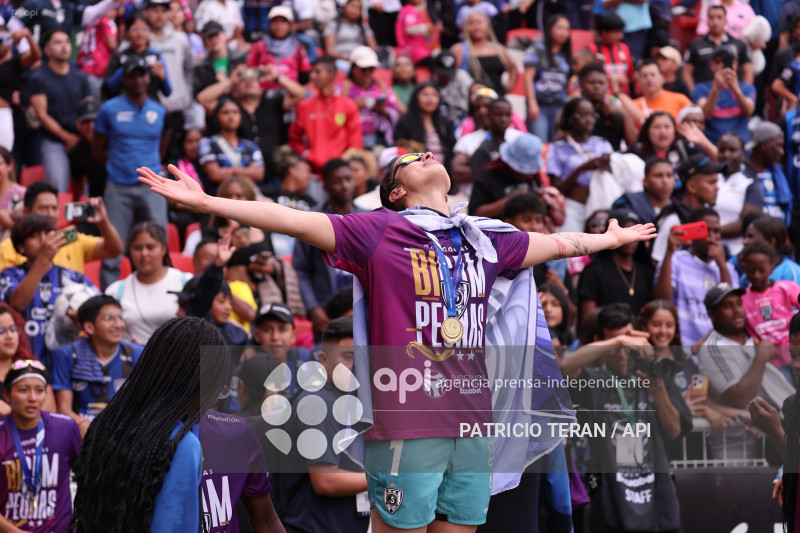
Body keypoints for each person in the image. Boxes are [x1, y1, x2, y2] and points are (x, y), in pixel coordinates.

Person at [137, 149, 656, 533]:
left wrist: (609, 240)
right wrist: (209, 201)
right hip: (408, 415)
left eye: (427, 152)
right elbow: (292, 220)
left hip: (475, 421)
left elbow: (559, 245)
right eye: (408, 158)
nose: (423, 154)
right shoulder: (379, 231)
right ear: (396, 192)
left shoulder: (487, 238)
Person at [72, 317, 230, 532]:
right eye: (215, 386)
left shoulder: (105, 426)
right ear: (195, 382)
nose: (215, 398)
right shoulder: (182, 444)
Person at [560, 303, 690, 533]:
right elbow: (565, 365)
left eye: (626, 346)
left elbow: (674, 431)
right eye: (615, 345)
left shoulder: (653, 373)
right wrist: (618, 341)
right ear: (601, 341)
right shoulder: (593, 379)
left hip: (655, 493)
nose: (621, 354)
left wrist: (657, 389)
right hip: (610, 496)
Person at [279, 317, 370, 533]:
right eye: (348, 357)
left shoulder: (346, 400)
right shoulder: (317, 403)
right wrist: (390, 477)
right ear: (323, 360)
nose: (357, 367)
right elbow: (326, 481)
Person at [94, 57, 169, 289]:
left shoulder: (159, 110)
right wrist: (119, 165)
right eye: (132, 75)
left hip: (152, 185)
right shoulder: (109, 109)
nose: (137, 80)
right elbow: (96, 148)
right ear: (123, 79)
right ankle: (109, 299)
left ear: (149, 78)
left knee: (159, 243)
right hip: (118, 185)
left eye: (142, 75)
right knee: (112, 250)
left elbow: (163, 144)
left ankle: (163, 295)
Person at [698, 283, 794, 459]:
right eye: (727, 306)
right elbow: (739, 397)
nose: (736, 310)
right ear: (711, 314)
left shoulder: (753, 335)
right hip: (737, 444)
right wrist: (761, 357)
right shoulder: (712, 348)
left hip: (774, 437)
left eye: (738, 303)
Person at [0, 215, 94, 364]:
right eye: (35, 236)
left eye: (47, 234)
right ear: (21, 246)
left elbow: (98, 312)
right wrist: (43, 258)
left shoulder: (73, 277)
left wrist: (81, 316)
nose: (44, 240)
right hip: (24, 365)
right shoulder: (8, 275)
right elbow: (17, 305)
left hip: (67, 367)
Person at [0, 359, 81, 532]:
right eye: (23, 390)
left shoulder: (65, 427)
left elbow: (87, 478)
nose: (32, 398)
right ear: (6, 395)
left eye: (39, 391)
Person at [196, 64, 306, 182]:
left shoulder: (271, 102)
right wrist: (230, 81)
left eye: (253, 79)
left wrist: (276, 77)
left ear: (260, 85)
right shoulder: (230, 107)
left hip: (275, 172)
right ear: (235, 89)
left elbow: (300, 93)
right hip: (243, 175)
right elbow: (203, 98)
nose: (248, 82)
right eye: (243, 80)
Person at [51, 294, 144, 432]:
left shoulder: (136, 353)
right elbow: (64, 409)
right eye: (109, 318)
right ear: (89, 327)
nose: (119, 325)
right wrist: (83, 425)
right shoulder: (69, 354)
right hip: (84, 431)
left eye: (120, 318)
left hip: (126, 431)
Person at [293, 159, 362, 338]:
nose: (344, 185)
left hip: (361, 306)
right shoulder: (311, 220)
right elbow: (300, 269)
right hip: (326, 310)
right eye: (337, 181)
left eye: (348, 179)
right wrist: (313, 308)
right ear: (325, 186)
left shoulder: (367, 218)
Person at [653, 207, 738, 347]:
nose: (711, 237)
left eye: (716, 231)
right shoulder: (675, 261)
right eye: (704, 230)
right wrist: (668, 252)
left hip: (719, 349)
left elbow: (731, 309)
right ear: (691, 233)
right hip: (682, 347)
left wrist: (722, 266)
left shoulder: (728, 269)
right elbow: (662, 301)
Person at [0, 181, 123, 274]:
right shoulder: (8, 248)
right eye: (43, 208)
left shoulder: (71, 238)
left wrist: (103, 222)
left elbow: (114, 250)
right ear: (26, 212)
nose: (50, 214)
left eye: (54, 208)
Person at [104, 222, 192, 344]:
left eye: (150, 247)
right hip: (134, 360)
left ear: (163, 249)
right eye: (137, 248)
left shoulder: (186, 282)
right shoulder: (115, 291)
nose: (144, 254)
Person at [28, 29, 93, 194]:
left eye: (66, 41)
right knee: (57, 188)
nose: (64, 46)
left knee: (85, 190)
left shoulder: (81, 77)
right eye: (57, 42)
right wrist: (67, 137)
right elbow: (41, 115)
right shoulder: (38, 78)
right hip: (54, 141)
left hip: (80, 140)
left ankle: (83, 221)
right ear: (47, 50)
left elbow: (89, 110)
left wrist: (79, 137)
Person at [577, 208, 655, 329]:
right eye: (626, 231)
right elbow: (587, 321)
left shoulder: (646, 271)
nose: (631, 238)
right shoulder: (595, 271)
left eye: (634, 232)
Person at [547, 97, 614, 233]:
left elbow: (617, 174)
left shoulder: (603, 144)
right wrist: (582, 168)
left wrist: (607, 165)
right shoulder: (557, 148)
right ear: (570, 118)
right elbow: (556, 188)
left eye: (592, 115)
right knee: (572, 249)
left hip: (602, 207)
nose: (589, 119)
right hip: (573, 208)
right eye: (583, 115)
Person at [289, 56, 363, 174]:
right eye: (311, 72)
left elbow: (355, 144)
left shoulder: (348, 105)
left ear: (331, 74)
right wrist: (307, 155)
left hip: (339, 173)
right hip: (312, 172)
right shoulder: (303, 106)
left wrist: (339, 164)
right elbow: (294, 139)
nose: (312, 76)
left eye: (317, 72)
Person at [740, 239, 800, 377]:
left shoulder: (785, 288)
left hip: (795, 355)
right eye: (751, 270)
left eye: (762, 270)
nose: (756, 275)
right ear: (744, 269)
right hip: (771, 364)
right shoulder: (742, 299)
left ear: (771, 268)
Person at [649, 152, 721, 264]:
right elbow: (657, 262)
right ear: (692, 187)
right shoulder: (674, 220)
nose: (717, 188)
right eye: (711, 183)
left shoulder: (710, 217)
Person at [144, 0, 194, 139]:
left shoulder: (180, 40)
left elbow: (189, 69)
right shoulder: (141, 39)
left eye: (164, 10)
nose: (159, 15)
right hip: (150, 110)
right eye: (155, 10)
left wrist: (187, 94)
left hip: (177, 108)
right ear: (146, 12)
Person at [198, 97, 265, 196]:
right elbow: (215, 175)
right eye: (225, 112)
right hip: (220, 198)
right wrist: (247, 171)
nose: (231, 116)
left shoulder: (250, 145)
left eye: (235, 112)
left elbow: (259, 174)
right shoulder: (208, 143)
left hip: (249, 197)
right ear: (217, 116)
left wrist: (231, 170)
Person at [468, 133, 544, 218]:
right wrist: (510, 200)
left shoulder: (533, 178)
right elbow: (474, 214)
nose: (525, 175)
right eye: (520, 171)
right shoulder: (488, 177)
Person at [339, 46, 401, 149]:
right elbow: (334, 115)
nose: (367, 72)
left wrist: (382, 110)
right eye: (363, 69)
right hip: (350, 138)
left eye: (371, 68)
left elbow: (396, 114)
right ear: (353, 68)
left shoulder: (382, 87)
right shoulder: (342, 88)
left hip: (379, 138)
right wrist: (352, 105)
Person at [692, 45, 756, 145]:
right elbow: (706, 114)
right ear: (711, 65)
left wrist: (735, 88)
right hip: (713, 145)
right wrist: (716, 86)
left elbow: (748, 111)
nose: (722, 65)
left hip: (741, 147)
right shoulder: (700, 88)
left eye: (727, 60)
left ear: (735, 64)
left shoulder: (747, 88)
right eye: (718, 61)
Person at [523, 14, 571, 142]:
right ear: (549, 28)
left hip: (559, 105)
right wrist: (532, 103)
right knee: (540, 142)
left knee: (556, 143)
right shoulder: (536, 49)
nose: (564, 32)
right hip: (540, 105)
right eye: (560, 28)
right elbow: (528, 78)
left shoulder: (566, 53)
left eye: (567, 29)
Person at [683, 5, 753, 93]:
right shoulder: (695, 45)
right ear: (707, 20)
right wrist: (695, 93)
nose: (715, 21)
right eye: (711, 18)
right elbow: (687, 72)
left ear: (726, 20)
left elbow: (748, 71)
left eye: (719, 17)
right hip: (704, 96)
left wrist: (744, 94)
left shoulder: (738, 44)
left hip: (733, 96)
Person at [102, 14, 172, 102]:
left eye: (144, 29)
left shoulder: (156, 56)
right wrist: (125, 67)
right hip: (125, 106)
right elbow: (108, 88)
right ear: (127, 32)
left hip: (151, 106)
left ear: (149, 32)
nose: (139, 33)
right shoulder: (119, 57)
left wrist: (163, 77)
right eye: (135, 29)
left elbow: (167, 92)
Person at [716, 131, 763, 255]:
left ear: (743, 154)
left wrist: (708, 232)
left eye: (732, 150)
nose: (726, 154)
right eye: (721, 150)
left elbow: (747, 223)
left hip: (736, 254)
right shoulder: (709, 178)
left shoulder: (751, 184)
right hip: (705, 252)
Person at [250, 303, 312, 396]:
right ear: (257, 335)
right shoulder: (248, 366)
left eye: (282, 329)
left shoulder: (303, 357)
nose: (275, 337)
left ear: (293, 336)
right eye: (267, 330)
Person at [246, 6, 312, 90]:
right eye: (275, 21)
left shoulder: (298, 47)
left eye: (283, 22)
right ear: (269, 24)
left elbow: (304, 76)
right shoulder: (259, 46)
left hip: (290, 93)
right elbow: (249, 70)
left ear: (289, 25)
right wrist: (260, 71)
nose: (279, 26)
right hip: (263, 92)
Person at [451, 11, 517, 95]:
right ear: (464, 28)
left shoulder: (499, 48)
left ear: (488, 26)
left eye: (479, 22)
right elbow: (453, 76)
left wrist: (509, 85)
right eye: (471, 23)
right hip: (470, 99)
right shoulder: (459, 49)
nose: (476, 26)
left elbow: (513, 68)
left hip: (497, 98)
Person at [393, 83, 456, 168]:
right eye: (425, 94)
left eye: (434, 95)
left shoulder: (445, 123)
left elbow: (452, 150)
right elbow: (400, 150)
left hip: (444, 172)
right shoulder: (405, 122)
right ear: (416, 97)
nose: (430, 99)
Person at [577, 63, 636, 151]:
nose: (597, 86)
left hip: (612, 158)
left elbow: (634, 144)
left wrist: (624, 113)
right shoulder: (574, 108)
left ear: (607, 84)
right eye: (592, 83)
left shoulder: (614, 106)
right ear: (581, 84)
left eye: (601, 83)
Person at [616, 59, 692, 127]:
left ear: (662, 78)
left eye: (653, 74)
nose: (649, 79)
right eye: (644, 75)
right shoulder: (632, 106)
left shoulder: (680, 100)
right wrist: (616, 89)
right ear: (639, 82)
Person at [0, 26, 40, 152]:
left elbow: (35, 56)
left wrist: (27, 36)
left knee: (4, 158)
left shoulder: (13, 63)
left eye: (3, 39)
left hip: (3, 115)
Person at [743, 121, 791, 224]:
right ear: (764, 145)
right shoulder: (742, 172)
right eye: (778, 146)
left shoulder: (777, 172)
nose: (782, 152)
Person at [613, 156, 676, 225]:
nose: (665, 181)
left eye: (669, 175)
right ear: (645, 181)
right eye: (658, 176)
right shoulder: (630, 204)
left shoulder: (680, 208)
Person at [192, 21, 248, 97]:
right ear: (205, 41)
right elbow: (199, 94)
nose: (214, 40)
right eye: (210, 37)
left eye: (216, 35)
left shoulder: (241, 58)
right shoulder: (201, 67)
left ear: (224, 35)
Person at [69, 98, 109, 202]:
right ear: (78, 125)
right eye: (86, 122)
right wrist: (75, 205)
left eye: (95, 121)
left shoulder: (116, 143)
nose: (91, 126)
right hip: (96, 201)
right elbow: (77, 181)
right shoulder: (77, 152)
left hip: (122, 196)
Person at [469, 98, 520, 176]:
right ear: (489, 116)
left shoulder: (515, 142)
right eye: (498, 115)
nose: (503, 119)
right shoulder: (482, 151)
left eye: (507, 115)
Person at [324, 0, 379, 65]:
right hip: (341, 59)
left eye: (359, 8)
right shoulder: (334, 24)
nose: (355, 10)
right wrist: (347, 58)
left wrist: (363, 56)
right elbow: (330, 51)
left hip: (361, 59)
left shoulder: (364, 26)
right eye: (353, 6)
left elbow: (373, 47)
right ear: (344, 7)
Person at [433, 51, 474, 125]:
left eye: (449, 73)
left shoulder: (461, 76)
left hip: (465, 118)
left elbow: (473, 91)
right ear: (435, 69)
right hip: (444, 122)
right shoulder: (431, 84)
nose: (446, 77)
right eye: (442, 74)